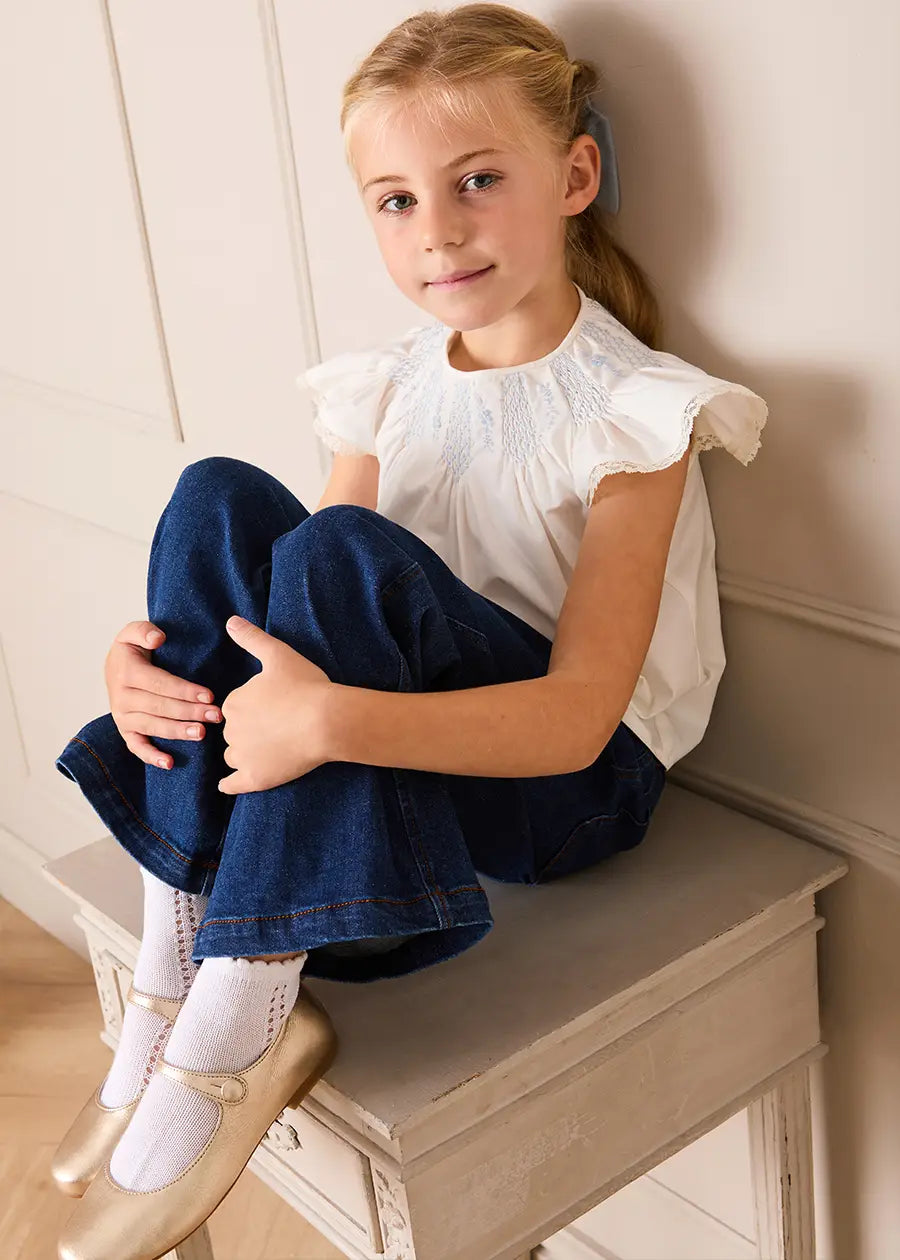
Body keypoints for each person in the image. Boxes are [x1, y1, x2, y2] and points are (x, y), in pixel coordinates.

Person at [52, 3, 768, 1255]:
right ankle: (184, 931)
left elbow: (577, 717)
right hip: (412, 745)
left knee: (337, 554)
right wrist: (153, 674)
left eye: (477, 181)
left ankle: (246, 1006)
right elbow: (299, 619)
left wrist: (325, 718)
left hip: (572, 789)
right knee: (222, 494)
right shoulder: (384, 387)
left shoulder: (640, 414)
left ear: (574, 178)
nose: (437, 229)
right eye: (395, 200)